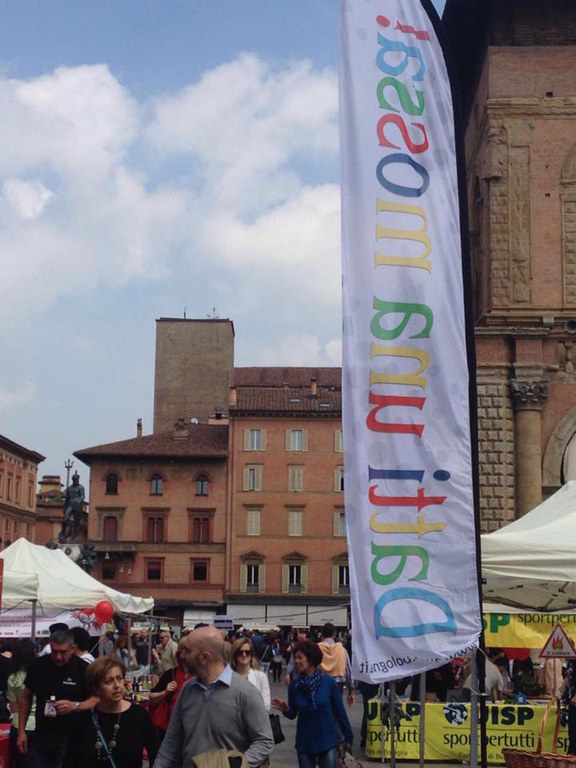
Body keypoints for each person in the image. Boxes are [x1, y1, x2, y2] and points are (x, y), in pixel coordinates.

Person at [154, 625, 273, 768]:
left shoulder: (245, 692)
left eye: (188, 651)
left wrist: (236, 765)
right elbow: (171, 743)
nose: (182, 655)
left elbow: (264, 741)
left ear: (204, 657)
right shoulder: (187, 689)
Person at [17, 628, 98, 768]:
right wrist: (21, 731)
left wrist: (75, 706)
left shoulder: (83, 668)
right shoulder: (39, 665)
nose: (58, 657)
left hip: (73, 736)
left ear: (72, 648)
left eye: (63, 652)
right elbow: (26, 698)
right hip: (43, 733)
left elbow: (96, 699)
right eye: (54, 652)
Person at [64, 655, 159, 768]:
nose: (117, 686)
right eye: (109, 681)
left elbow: (157, 754)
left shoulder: (138, 715)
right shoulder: (83, 719)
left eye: (119, 678)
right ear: (96, 688)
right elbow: (70, 760)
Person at [272, 640, 353, 768]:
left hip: (327, 740)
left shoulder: (328, 683)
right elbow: (293, 713)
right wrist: (285, 709)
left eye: (300, 658)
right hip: (305, 742)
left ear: (310, 659)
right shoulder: (295, 686)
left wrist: (348, 737)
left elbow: (340, 712)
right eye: (295, 658)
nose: (297, 661)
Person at [149, 638, 192, 740]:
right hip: (169, 728)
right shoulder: (171, 674)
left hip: (193, 729)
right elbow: (151, 698)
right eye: (184, 651)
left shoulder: (202, 676)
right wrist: (165, 692)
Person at [8, 639, 38, 768]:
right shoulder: (40, 675)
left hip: (18, 725)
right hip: (38, 725)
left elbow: (13, 707)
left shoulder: (13, 678)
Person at [230, 638, 271, 711]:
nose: (244, 654)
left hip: (255, 720)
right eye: (240, 652)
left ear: (251, 655)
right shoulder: (228, 677)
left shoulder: (261, 676)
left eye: (247, 652)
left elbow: (266, 705)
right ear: (235, 655)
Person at [317, 624, 353, 702]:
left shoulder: (316, 648)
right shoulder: (342, 650)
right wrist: (350, 689)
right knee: (336, 708)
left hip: (320, 683)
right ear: (334, 634)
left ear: (322, 634)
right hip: (338, 683)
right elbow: (348, 670)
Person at [59, 472, 85, 543]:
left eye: (76, 480)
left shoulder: (81, 488)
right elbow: (67, 499)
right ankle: (63, 533)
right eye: (74, 480)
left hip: (77, 506)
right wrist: (65, 507)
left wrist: (77, 501)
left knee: (77, 523)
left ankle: (74, 537)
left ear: (78, 480)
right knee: (65, 519)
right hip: (70, 505)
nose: (75, 481)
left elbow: (82, 496)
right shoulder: (69, 488)